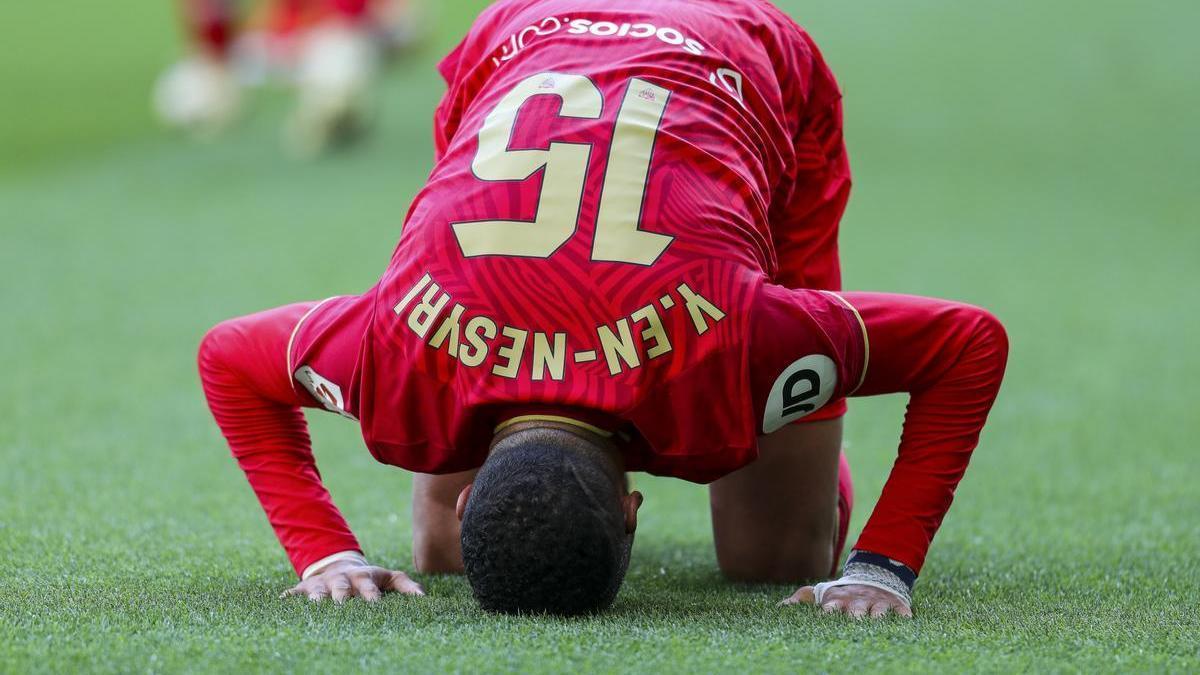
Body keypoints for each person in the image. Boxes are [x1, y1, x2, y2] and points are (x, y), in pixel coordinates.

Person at [199, 0, 1008, 619]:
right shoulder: (400, 349)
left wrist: (879, 568)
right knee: (448, 551)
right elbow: (232, 356)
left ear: (629, 511)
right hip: (524, 33)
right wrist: (321, 552)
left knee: (782, 557)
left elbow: (968, 344)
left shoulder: (743, 341)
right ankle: (794, 401)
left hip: (736, 48)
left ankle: (799, 400)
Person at [155, 0, 419, 154]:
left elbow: (351, 14)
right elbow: (212, 22)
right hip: (270, 40)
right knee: (185, 92)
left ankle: (333, 112)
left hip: (327, 35)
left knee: (339, 58)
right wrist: (216, 60)